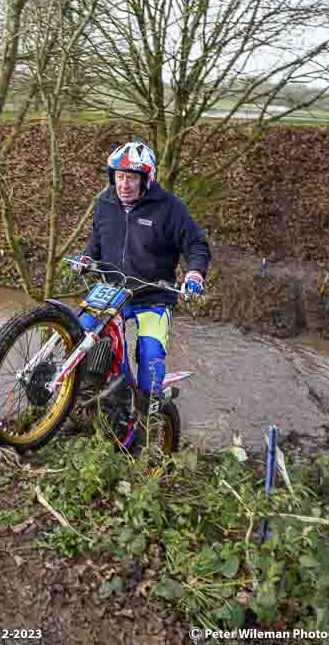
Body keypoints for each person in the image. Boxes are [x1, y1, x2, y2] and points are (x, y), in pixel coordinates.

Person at [72, 140, 211, 450]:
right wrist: (86, 258)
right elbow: (97, 241)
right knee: (79, 336)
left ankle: (147, 429)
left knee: (149, 359)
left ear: (147, 178)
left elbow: (196, 244)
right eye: (119, 177)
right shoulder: (104, 203)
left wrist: (194, 273)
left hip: (153, 296)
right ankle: (77, 406)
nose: (124, 184)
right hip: (111, 292)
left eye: (132, 178)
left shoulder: (170, 207)